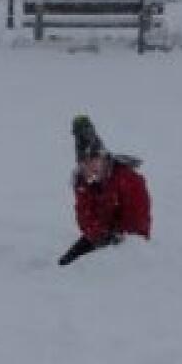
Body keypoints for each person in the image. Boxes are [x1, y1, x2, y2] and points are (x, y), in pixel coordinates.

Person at [58, 114, 151, 266]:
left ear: (104, 157)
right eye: (84, 163)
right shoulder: (82, 182)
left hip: (129, 243)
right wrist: (99, 235)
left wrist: (116, 238)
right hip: (100, 237)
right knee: (65, 265)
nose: (90, 167)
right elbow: (85, 218)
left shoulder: (128, 179)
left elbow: (138, 222)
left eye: (93, 160)